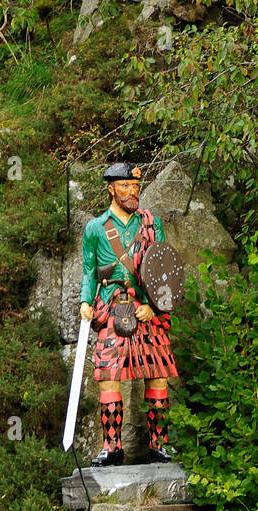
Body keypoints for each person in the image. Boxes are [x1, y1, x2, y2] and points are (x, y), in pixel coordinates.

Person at [78, 162, 179, 466]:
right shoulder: (95, 228)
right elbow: (88, 271)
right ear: (111, 188)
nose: (132, 192)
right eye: (125, 186)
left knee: (158, 376)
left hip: (146, 309)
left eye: (135, 187)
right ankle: (113, 446)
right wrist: (85, 301)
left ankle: (159, 445)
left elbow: (162, 267)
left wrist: (155, 305)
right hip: (112, 306)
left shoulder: (151, 223)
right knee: (108, 378)